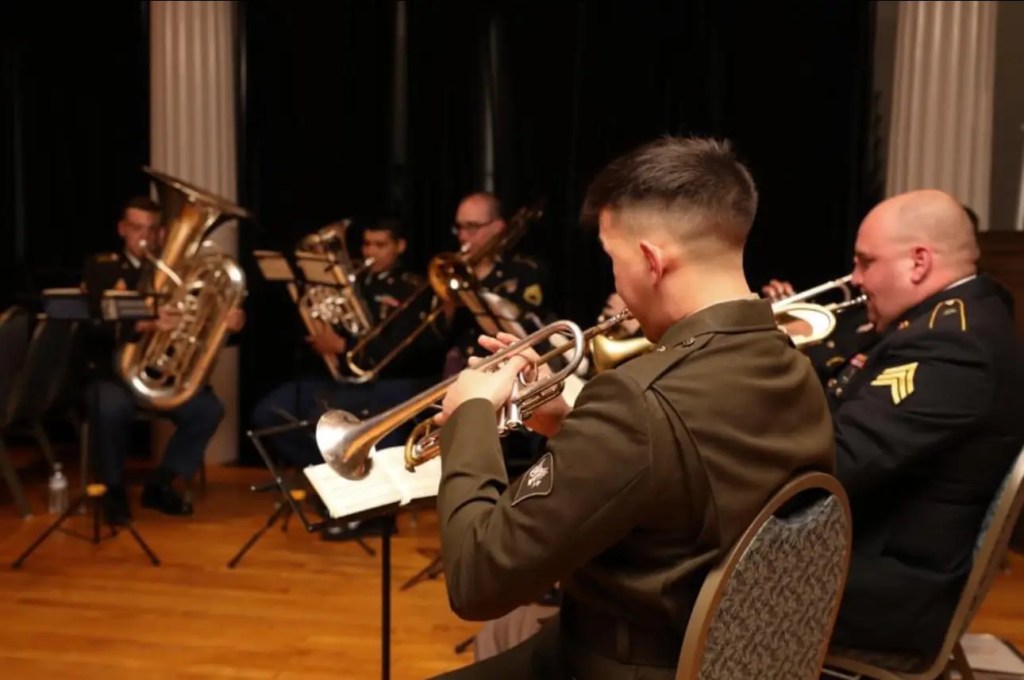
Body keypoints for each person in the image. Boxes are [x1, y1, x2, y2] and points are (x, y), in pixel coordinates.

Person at [427, 136, 836, 679]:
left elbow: (478, 581)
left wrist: (472, 414)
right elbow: (681, 482)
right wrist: (573, 427)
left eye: (613, 259)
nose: (614, 278)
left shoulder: (637, 400)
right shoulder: (788, 361)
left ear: (649, 261)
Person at [822, 189, 1024, 658]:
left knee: (666, 570)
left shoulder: (953, 344)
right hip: (877, 561)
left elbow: (840, 460)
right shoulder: (950, 324)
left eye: (865, 262)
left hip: (887, 590)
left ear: (918, 263)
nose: (855, 279)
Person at [81, 196, 246, 525]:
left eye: (152, 229)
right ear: (121, 230)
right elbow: (90, 327)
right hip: (114, 376)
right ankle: (113, 491)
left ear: (162, 234)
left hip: (164, 376)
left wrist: (228, 324)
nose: (144, 236)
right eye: (136, 228)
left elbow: (202, 332)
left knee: (208, 410)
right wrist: (145, 324)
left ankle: (161, 483)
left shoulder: (181, 274)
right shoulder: (103, 268)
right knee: (109, 407)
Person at [251, 218, 446, 471]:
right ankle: (325, 472)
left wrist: (342, 345)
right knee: (269, 412)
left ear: (400, 246)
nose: (370, 252)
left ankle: (349, 479)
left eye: (380, 245)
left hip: (384, 382)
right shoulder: (350, 280)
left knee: (346, 420)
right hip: (338, 378)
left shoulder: (412, 287)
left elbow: (404, 350)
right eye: (366, 244)